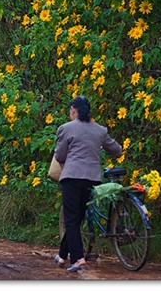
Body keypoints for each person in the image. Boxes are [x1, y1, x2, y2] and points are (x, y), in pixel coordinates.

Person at [53, 96, 123, 272]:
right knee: (76, 218)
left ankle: (78, 260)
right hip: (91, 178)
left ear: (74, 110)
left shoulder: (66, 129)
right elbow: (117, 150)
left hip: (71, 177)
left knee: (71, 218)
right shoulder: (99, 130)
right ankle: (62, 256)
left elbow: (60, 156)